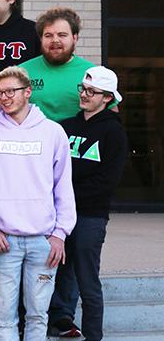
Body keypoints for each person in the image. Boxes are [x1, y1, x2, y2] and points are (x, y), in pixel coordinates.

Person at [0, 66, 76, 341]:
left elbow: (63, 187)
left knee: (38, 316)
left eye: (11, 91)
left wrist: (60, 234)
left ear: (27, 92)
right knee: (5, 319)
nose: (4, 97)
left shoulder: (53, 133)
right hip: (5, 240)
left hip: (44, 241)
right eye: (0, 92)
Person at [48, 66, 129, 340]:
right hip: (58, 216)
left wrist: (67, 197)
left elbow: (107, 181)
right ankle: (60, 320)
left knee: (86, 279)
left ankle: (94, 335)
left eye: (91, 91)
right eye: (82, 89)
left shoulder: (113, 133)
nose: (84, 94)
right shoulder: (65, 127)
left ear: (107, 98)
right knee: (58, 271)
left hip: (90, 217)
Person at [20, 7, 103, 122]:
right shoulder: (22, 72)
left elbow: (109, 117)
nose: (55, 40)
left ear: (75, 38)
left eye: (62, 35)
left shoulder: (92, 73)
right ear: (41, 39)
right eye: (48, 35)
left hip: (76, 139)